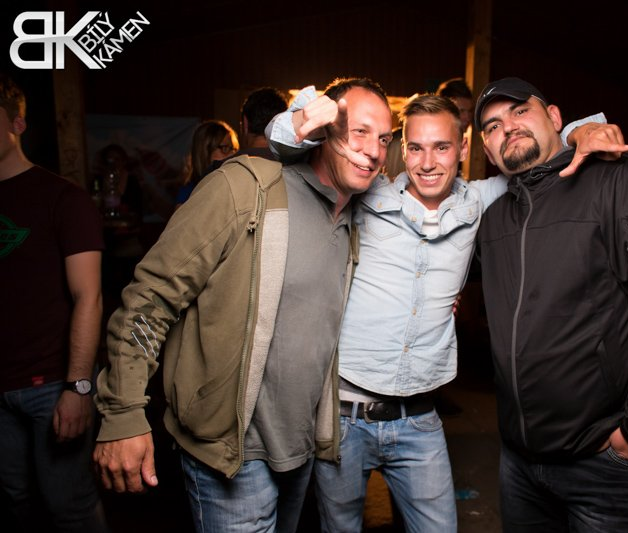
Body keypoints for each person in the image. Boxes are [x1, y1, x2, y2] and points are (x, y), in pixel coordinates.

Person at [268, 86, 628, 530]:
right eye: (415, 148)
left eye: (441, 147)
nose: (427, 162)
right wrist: (302, 123)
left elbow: (539, 154)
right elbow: (283, 149)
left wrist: (579, 131)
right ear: (402, 149)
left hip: (419, 420)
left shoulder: (479, 200)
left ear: (463, 148)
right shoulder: (365, 195)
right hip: (344, 420)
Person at [92, 77, 393, 533]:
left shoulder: (351, 217)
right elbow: (150, 299)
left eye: (384, 139)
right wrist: (123, 410)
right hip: (231, 450)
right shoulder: (243, 188)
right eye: (360, 132)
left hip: (299, 449)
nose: (372, 150)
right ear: (324, 129)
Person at [474, 77, 628, 532]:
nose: (508, 127)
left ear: (555, 118)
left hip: (608, 466)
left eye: (520, 111)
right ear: (487, 150)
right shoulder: (493, 221)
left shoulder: (624, 182)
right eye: (492, 125)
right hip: (520, 465)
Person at [0, 73, 107, 532]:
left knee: (69, 505)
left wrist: (77, 387)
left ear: (17, 123)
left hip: (50, 383)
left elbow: (89, 297)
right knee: (14, 501)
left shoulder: (63, 197)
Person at [174, 119, 239, 207]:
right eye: (225, 148)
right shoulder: (188, 195)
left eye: (234, 149)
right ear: (204, 151)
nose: (233, 155)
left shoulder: (231, 186)